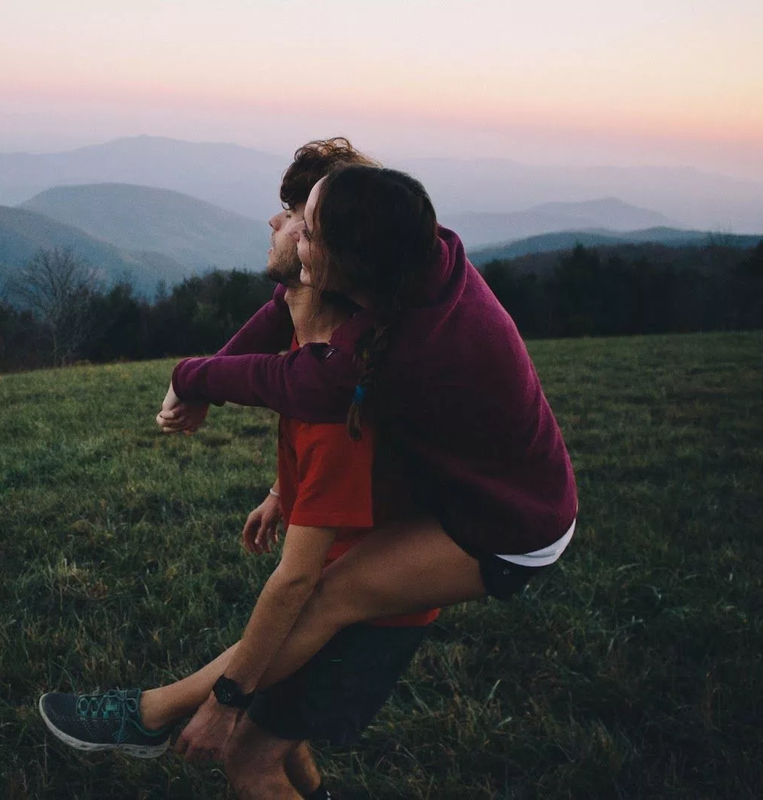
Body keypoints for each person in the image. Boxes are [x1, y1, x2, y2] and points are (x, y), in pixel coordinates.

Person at [40, 140, 440, 799]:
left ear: (320, 260)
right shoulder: (308, 347)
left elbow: (295, 580)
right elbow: (259, 370)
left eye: (297, 219)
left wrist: (224, 700)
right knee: (283, 733)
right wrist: (283, 489)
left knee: (249, 758)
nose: (276, 222)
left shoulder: (339, 401)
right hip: (345, 590)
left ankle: (145, 716)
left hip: (369, 616)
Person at [155, 163, 578, 760]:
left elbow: (289, 380)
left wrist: (187, 375)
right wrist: (203, 383)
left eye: (308, 232)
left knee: (326, 596)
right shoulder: (422, 253)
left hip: (511, 525)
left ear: (346, 267)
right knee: (322, 602)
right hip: (500, 484)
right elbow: (282, 309)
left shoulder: (399, 350)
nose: (292, 233)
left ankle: (164, 710)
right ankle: (174, 712)